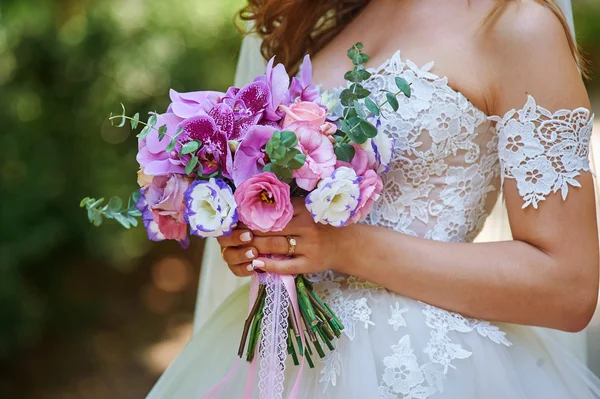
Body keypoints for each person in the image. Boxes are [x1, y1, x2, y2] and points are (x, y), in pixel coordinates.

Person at [148, 0, 600, 397]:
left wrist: (346, 246)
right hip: (280, 351)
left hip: (421, 365)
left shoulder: (517, 26)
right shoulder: (331, 18)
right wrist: (260, 237)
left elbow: (568, 285)